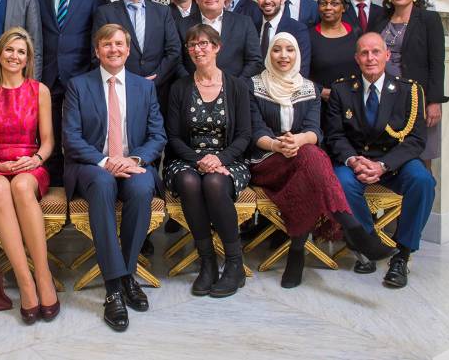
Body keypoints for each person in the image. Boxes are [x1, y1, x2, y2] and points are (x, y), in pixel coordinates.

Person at [249, 32, 393, 288]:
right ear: (268, 54)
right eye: (277, 50)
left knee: (308, 167)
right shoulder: (253, 86)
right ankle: (354, 229)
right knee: (313, 158)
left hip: (302, 159)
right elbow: (255, 130)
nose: (283, 55)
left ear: (298, 55)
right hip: (267, 160)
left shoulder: (310, 88)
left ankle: (296, 252)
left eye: (290, 50)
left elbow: (314, 130)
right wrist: (277, 145)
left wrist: (298, 141)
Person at [63, 24, 166, 331]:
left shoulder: (144, 87)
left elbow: (157, 136)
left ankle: (126, 273)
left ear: (128, 49)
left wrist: (133, 160)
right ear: (97, 51)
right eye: (106, 44)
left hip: (132, 164)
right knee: (103, 183)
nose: (113, 49)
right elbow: (72, 138)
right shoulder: (78, 85)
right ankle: (114, 288)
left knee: (143, 186)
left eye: (119, 44)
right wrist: (107, 162)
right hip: (92, 165)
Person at [327, 33, 436, 288]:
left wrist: (383, 165)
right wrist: (353, 161)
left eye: (376, 52)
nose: (370, 58)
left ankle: (402, 254)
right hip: (356, 161)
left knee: (423, 181)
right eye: (364, 53)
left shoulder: (409, 91)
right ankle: (367, 245)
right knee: (340, 182)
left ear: (387, 55)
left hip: (394, 163)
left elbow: (416, 140)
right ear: (356, 58)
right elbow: (335, 135)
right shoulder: (341, 90)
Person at [0, 28, 58, 324]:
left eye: (21, 52)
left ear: (28, 58)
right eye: (9, 50)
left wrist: (35, 159)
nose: (14, 56)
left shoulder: (39, 90)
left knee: (20, 186)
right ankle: (25, 282)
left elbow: (48, 141)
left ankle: (43, 276)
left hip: (30, 163)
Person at [164, 24, 251, 297]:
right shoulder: (179, 87)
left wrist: (219, 159)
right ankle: (208, 262)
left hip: (229, 159)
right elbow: (173, 136)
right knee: (189, 182)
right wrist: (199, 159)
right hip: (186, 159)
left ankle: (234, 264)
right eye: (192, 45)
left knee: (214, 183)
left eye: (203, 43)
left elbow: (244, 135)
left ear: (216, 47)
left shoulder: (237, 86)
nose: (197, 49)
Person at [35, 0, 105, 185]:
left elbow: (98, 37)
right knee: (49, 139)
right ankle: (54, 190)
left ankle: (78, 189)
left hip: (82, 78)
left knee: (81, 139)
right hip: (47, 78)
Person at [368, 0, 447, 162]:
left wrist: (434, 102)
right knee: (384, 152)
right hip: (383, 95)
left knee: (421, 155)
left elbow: (437, 62)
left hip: (417, 97)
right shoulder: (379, 18)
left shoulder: (429, 19)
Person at [93, 0, 182, 95]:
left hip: (158, 91)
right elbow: (97, 54)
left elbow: (174, 51)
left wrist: (154, 80)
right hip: (119, 91)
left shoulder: (163, 12)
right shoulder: (105, 13)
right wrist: (125, 81)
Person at [178, 0, 262, 78]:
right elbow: (177, 62)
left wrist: (236, 85)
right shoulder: (181, 26)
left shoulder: (244, 23)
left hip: (236, 86)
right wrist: (194, 84)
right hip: (193, 86)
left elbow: (255, 60)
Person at [309, 0, 360, 101]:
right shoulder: (308, 36)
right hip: (322, 101)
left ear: (344, 7)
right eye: (323, 3)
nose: (328, 7)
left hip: (353, 99)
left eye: (334, 3)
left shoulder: (356, 33)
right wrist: (321, 91)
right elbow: (301, 72)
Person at [255, 0, 311, 77]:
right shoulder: (252, 27)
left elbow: (302, 68)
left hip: (287, 85)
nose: (267, 1)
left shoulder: (298, 29)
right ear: (257, 0)